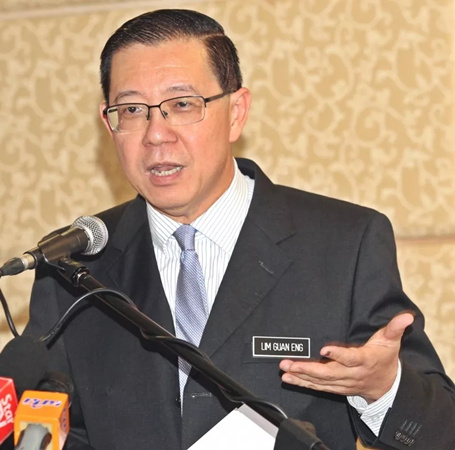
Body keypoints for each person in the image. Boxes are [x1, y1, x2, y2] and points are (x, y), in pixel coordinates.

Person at [17, 8, 455, 450]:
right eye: (131, 110)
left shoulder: (344, 245)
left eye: (182, 105)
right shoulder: (72, 266)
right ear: (108, 122)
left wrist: (383, 389)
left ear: (236, 112)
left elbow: (443, 430)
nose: (156, 135)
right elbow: (47, 430)